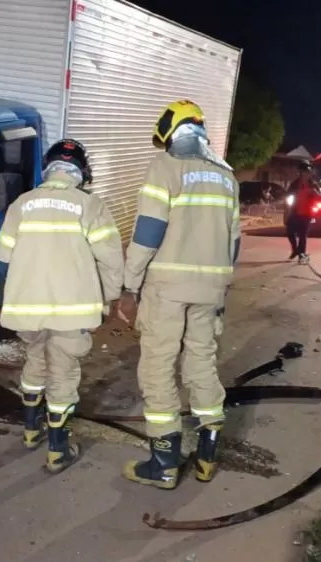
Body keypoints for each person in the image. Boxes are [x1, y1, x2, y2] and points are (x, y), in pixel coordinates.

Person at [118, 100, 240, 489]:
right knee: (202, 363)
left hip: (167, 288)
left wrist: (129, 285)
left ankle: (164, 465)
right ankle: (207, 454)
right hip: (211, 288)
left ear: (171, 131)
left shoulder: (167, 167)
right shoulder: (228, 177)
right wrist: (219, 285)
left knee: (157, 367)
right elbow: (234, 242)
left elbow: (149, 231)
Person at [0, 139, 124, 474]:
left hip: (27, 310)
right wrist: (108, 301)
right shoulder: (90, 206)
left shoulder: (21, 204)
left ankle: (30, 431)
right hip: (72, 311)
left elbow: (2, 257)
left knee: (35, 365)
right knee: (63, 375)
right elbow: (111, 261)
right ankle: (57, 451)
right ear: (81, 171)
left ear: (47, 168)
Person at [285, 161, 321, 264]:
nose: (305, 174)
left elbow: (320, 196)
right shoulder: (295, 184)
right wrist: (287, 208)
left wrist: (313, 193)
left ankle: (301, 254)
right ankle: (295, 250)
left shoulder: (313, 184)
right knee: (289, 232)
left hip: (307, 214)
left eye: (307, 172)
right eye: (303, 172)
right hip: (295, 212)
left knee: (302, 235)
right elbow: (288, 195)